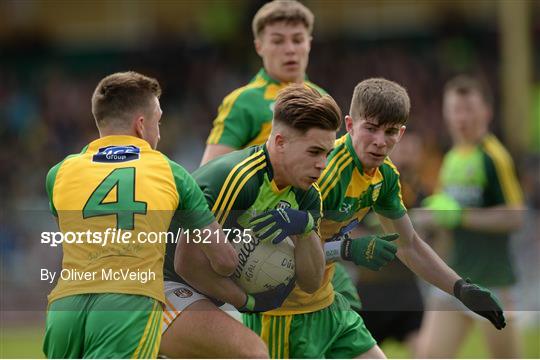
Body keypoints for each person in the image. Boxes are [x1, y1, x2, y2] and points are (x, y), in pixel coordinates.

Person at [244, 78, 507, 358]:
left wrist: (460, 288)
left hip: (328, 305)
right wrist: (346, 249)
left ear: (401, 133)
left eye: (390, 131)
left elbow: (410, 246)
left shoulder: (385, 176)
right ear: (349, 125)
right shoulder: (322, 173)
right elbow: (272, 253)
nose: (380, 142)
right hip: (283, 313)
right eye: (370, 129)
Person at [42, 71, 238, 358]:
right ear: (141, 125)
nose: (159, 132)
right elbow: (223, 260)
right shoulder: (172, 173)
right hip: (129, 303)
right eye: (158, 122)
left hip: (65, 307)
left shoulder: (58, 173)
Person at [201, 0, 362, 312]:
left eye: (297, 40)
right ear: (259, 46)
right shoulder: (245, 102)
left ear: (309, 44)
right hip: (264, 244)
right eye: (278, 41)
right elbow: (211, 172)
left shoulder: (321, 98)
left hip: (312, 234)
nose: (290, 49)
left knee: (347, 316)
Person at [159, 84, 342, 358]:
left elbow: (311, 280)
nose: (323, 164)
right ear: (280, 142)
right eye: (314, 152)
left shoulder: (307, 196)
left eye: (327, 154)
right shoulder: (239, 179)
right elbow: (186, 263)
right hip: (161, 284)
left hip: (206, 295)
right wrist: (248, 301)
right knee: (252, 352)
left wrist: (305, 229)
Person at [414, 75, 524, 358]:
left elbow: (514, 218)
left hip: (492, 281)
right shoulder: (451, 159)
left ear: (486, 112)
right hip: (455, 278)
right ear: (446, 114)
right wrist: (428, 224)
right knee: (428, 356)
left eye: (469, 109)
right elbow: (446, 219)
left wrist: (460, 216)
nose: (462, 117)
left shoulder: (493, 157)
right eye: (455, 109)